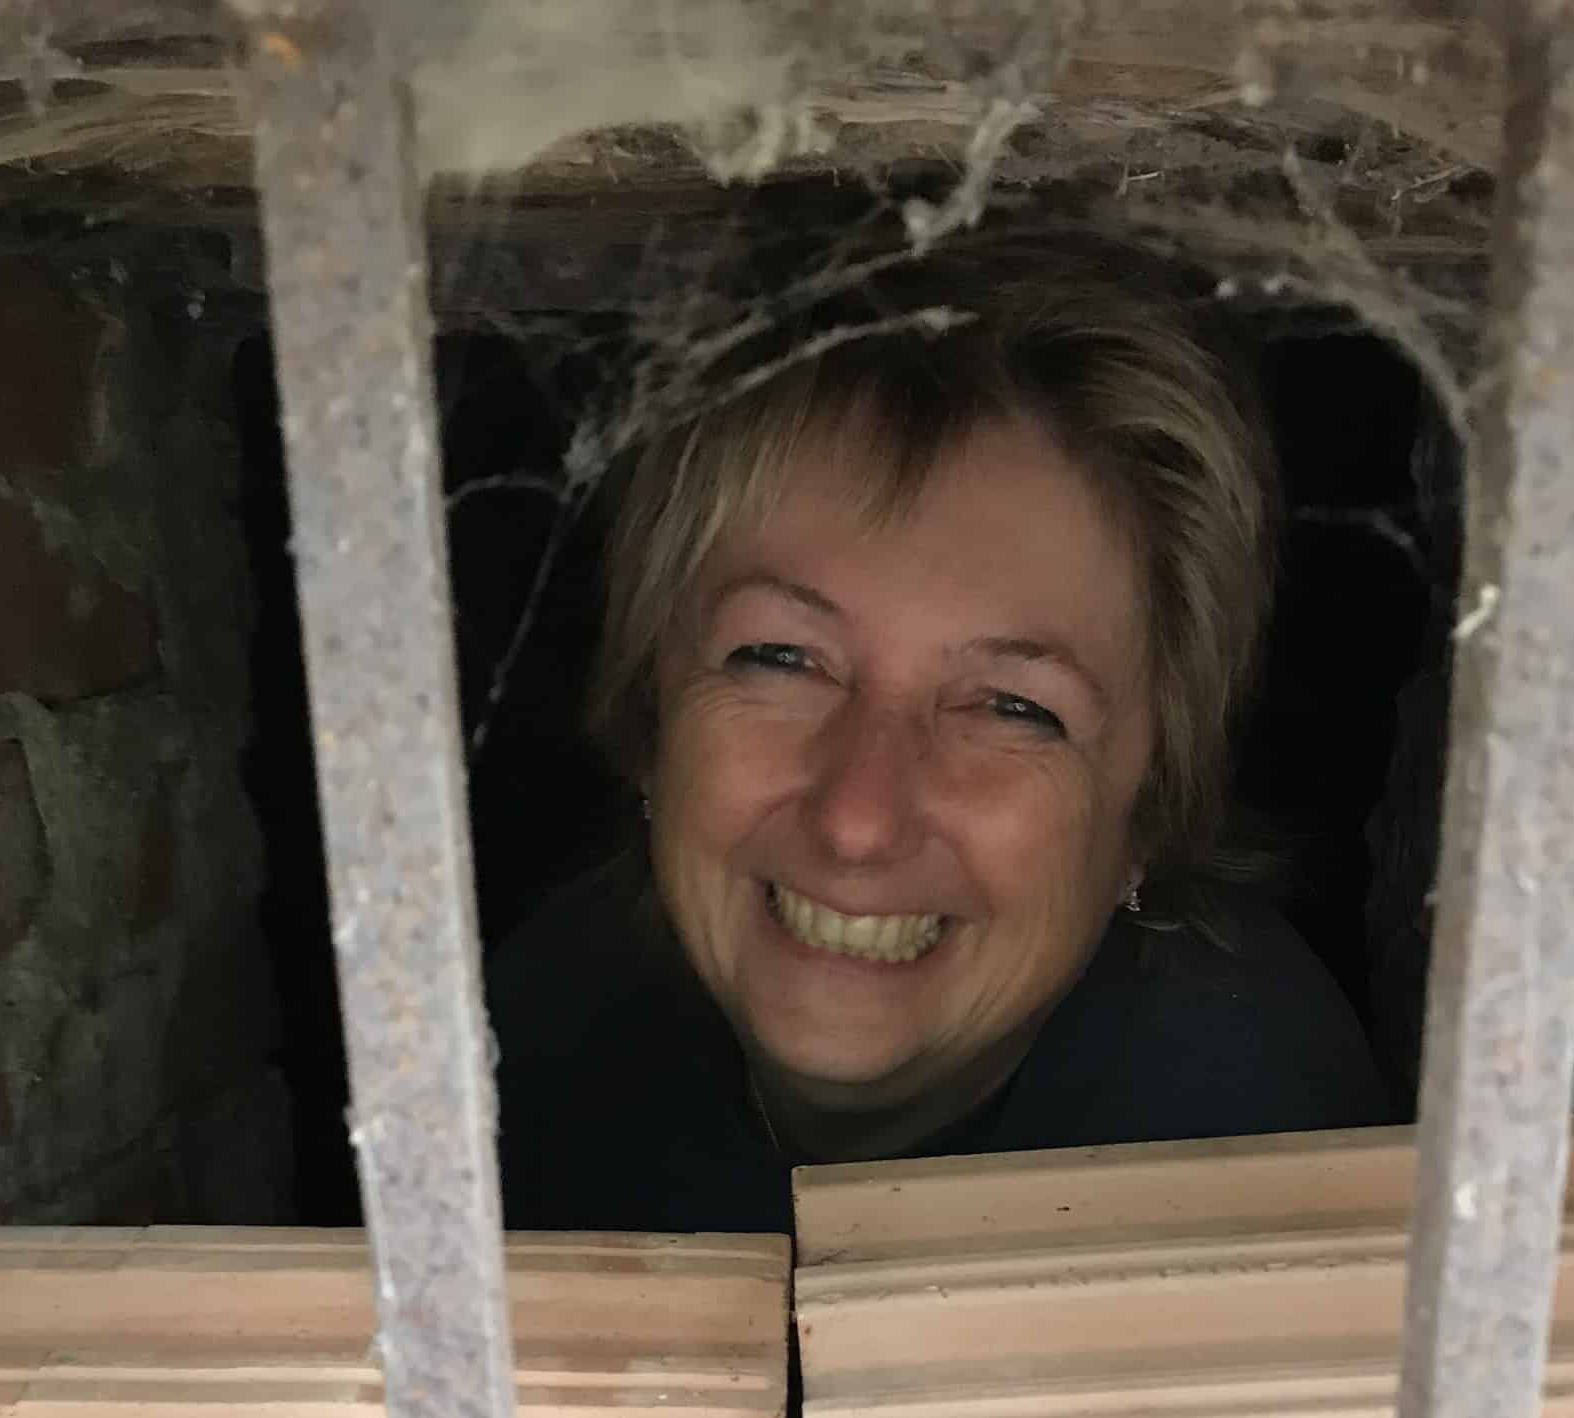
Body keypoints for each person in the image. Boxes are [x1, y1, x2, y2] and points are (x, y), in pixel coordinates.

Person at [492, 228, 1389, 1235]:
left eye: (1014, 707)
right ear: (650, 712)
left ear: (1149, 813)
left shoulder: (1258, 1167)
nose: (858, 822)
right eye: (781, 657)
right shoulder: (526, 1046)